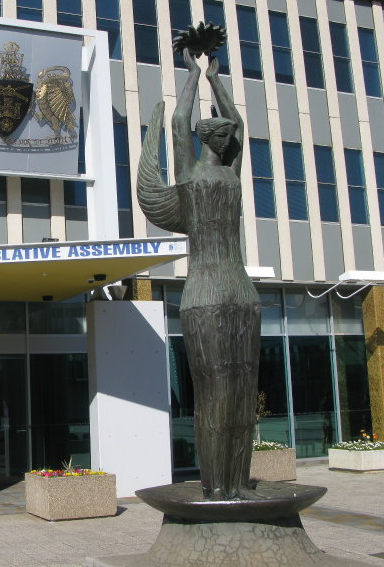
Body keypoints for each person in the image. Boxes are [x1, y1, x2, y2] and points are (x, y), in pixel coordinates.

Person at [137, 49, 261, 500]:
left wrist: (210, 77)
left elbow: (237, 127)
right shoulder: (196, 175)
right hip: (212, 292)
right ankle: (217, 484)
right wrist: (194, 76)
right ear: (212, 137)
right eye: (225, 134)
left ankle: (234, 483)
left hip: (232, 292)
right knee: (217, 391)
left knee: (240, 390)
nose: (230, 138)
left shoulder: (228, 173)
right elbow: (178, 123)